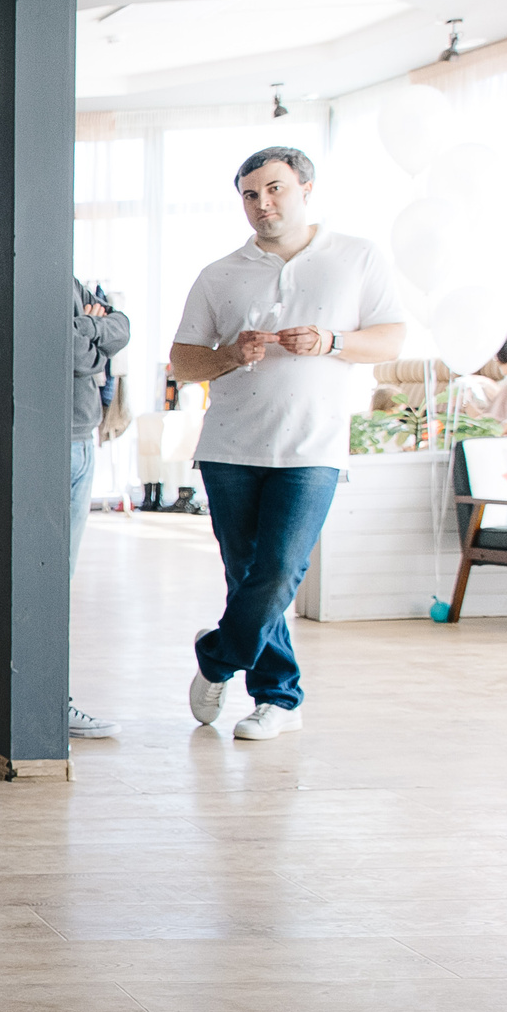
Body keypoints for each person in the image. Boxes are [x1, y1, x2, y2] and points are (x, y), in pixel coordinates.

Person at [169, 147, 405, 740]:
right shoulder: (219, 273)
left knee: (277, 571)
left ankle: (218, 656)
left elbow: (390, 341)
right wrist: (229, 355)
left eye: (275, 189)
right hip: (229, 448)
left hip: (313, 449)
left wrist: (330, 340)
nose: (262, 204)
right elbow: (183, 362)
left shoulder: (357, 257)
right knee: (245, 574)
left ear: (306, 189)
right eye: (250, 195)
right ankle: (278, 697)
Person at [0, 260, 129, 746]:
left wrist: (88, 330)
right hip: (34, 439)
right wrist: (92, 337)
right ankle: (6, 710)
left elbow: (119, 329)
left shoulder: (67, 271)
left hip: (77, 438)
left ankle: (43, 700)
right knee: (23, 580)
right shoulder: (18, 268)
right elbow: (70, 352)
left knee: (54, 580)